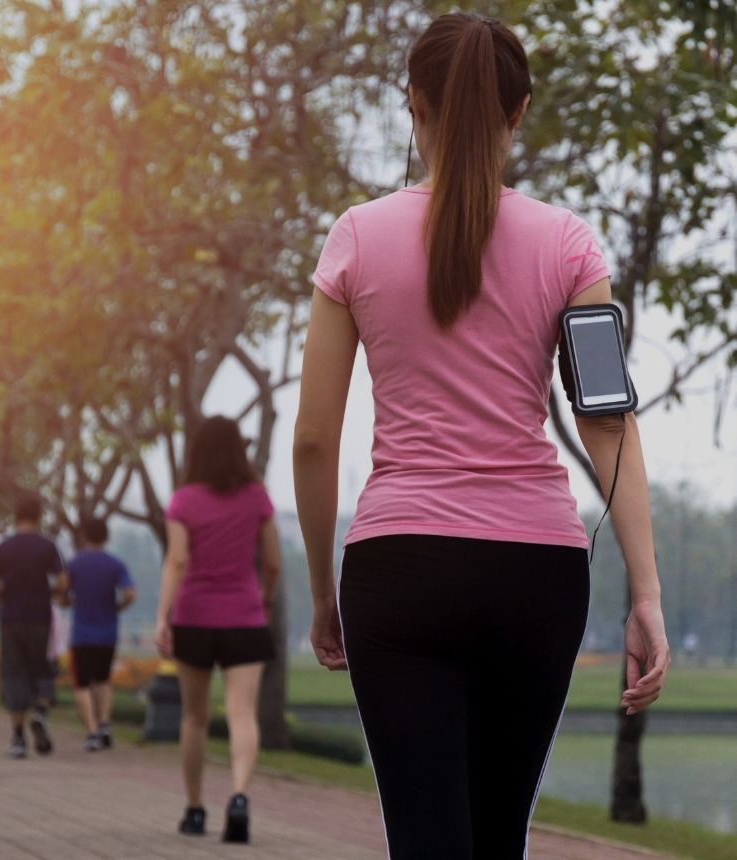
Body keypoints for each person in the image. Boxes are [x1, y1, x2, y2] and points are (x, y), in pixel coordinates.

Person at [291, 14, 671, 858]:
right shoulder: (569, 244)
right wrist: (644, 592)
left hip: (400, 570)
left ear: (412, 104)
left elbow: (315, 438)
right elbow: (606, 418)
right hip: (535, 575)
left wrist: (322, 588)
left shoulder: (357, 236)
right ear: (520, 110)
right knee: (499, 842)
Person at [155, 416, 280, 844]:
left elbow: (176, 561)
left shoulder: (183, 500)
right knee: (242, 713)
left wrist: (161, 617)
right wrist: (262, 600)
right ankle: (240, 797)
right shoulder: (257, 498)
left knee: (195, 717)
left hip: (193, 617)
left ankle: (193, 811)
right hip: (244, 618)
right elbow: (274, 563)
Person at [0, 495, 67, 759]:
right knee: (42, 669)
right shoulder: (48, 546)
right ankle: (40, 714)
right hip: (40, 618)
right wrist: (48, 591)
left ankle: (18, 738)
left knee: (15, 674)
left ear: (16, 517)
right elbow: (63, 582)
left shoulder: (3, 547)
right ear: (38, 517)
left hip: (11, 619)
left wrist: (4, 591)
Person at [62, 517, 135, 751]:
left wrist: (69, 602)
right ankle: (104, 724)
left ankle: (92, 732)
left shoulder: (74, 564)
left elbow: (61, 592)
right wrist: (117, 607)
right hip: (107, 633)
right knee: (103, 680)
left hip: (82, 634)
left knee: (81, 684)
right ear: (106, 537)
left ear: (84, 536)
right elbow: (130, 593)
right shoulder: (115, 564)